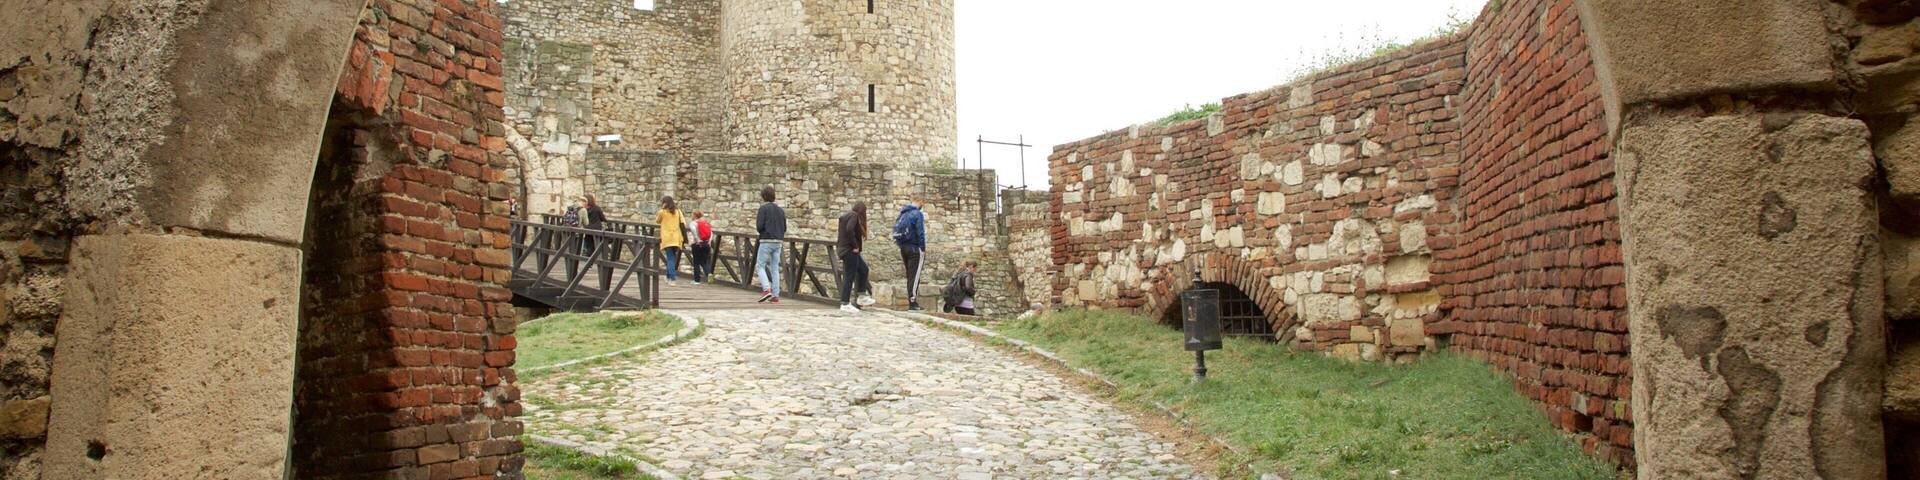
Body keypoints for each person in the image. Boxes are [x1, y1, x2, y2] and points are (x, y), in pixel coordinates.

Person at [835, 202, 876, 314]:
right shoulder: (854, 215)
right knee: (849, 276)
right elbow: (849, 229)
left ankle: (861, 295)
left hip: (845, 249)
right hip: (849, 250)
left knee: (863, 269)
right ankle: (844, 303)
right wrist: (855, 246)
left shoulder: (847, 216)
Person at [891, 197, 928, 311]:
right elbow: (920, 232)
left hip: (903, 248)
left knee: (910, 275)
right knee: (915, 276)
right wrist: (922, 248)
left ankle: (911, 299)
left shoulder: (903, 213)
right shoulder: (917, 214)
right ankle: (912, 302)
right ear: (920, 202)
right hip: (914, 248)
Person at [753, 186, 788, 303]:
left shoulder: (763, 209)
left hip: (766, 240)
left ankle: (766, 290)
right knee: (774, 268)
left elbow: (759, 226)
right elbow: (784, 227)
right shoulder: (780, 210)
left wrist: (763, 232)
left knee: (760, 265)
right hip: (778, 241)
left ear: (763, 196)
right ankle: (775, 294)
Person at [655, 196, 688, 285]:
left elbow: (657, 221)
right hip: (676, 238)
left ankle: (672, 279)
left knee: (670, 258)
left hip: (667, 238)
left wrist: (662, 209)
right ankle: (668, 276)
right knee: (672, 258)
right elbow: (682, 224)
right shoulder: (678, 211)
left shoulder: (662, 212)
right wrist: (685, 239)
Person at [689, 211, 714, 285]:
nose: (691, 216)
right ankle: (709, 273)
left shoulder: (693, 223)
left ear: (695, 215)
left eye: (692, 214)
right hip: (706, 244)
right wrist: (709, 241)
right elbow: (711, 233)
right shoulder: (705, 223)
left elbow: (693, 231)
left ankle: (697, 280)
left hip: (697, 244)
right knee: (704, 261)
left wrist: (697, 240)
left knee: (696, 262)